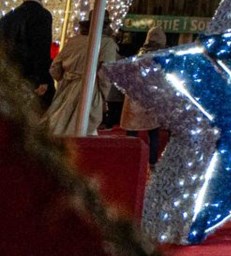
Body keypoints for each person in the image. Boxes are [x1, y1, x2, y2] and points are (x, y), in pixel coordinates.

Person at [46, 18, 121, 136]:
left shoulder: (73, 41)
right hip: (90, 89)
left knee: (59, 124)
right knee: (83, 128)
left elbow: (55, 67)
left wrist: (64, 79)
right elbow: (106, 72)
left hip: (66, 88)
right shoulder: (107, 43)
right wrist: (103, 94)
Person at [0, 0, 56, 111]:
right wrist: (43, 78)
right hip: (30, 73)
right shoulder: (43, 16)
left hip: (10, 71)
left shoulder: (10, 16)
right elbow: (41, 48)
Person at [118, 26, 169, 164]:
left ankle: (130, 159)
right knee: (153, 132)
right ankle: (152, 161)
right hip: (152, 98)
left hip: (135, 98)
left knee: (132, 132)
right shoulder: (162, 58)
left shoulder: (139, 55)